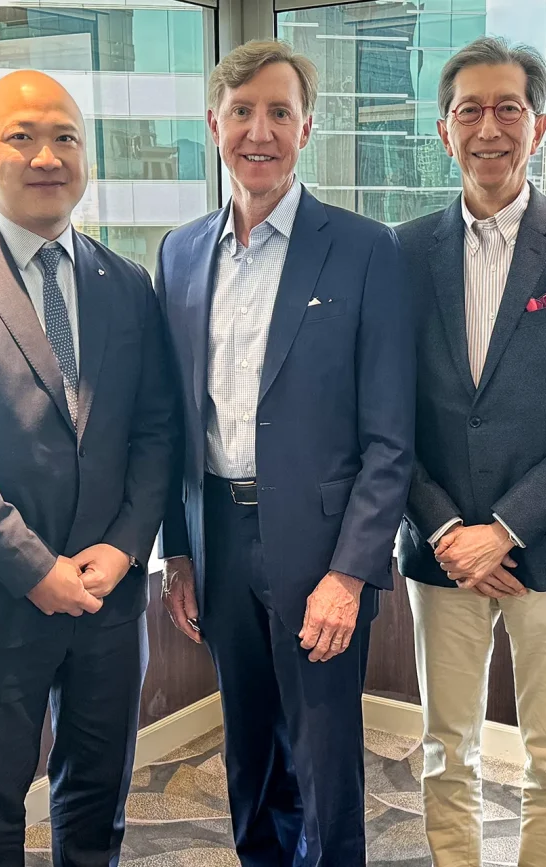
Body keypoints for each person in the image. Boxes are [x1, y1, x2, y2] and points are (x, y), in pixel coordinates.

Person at [0, 71, 178, 866]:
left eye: (65, 138)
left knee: (99, 803)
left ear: (87, 157)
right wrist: (35, 568)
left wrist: (125, 547)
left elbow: (155, 431)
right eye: (22, 137)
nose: (47, 156)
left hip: (108, 601)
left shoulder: (127, 283)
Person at [155, 40, 415, 866]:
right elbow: (173, 419)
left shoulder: (365, 248)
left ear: (308, 127)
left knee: (325, 756)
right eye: (241, 112)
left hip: (320, 547)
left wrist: (351, 573)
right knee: (247, 746)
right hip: (218, 538)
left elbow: (390, 437)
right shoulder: (179, 252)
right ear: (214, 124)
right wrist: (179, 552)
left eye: (278, 112)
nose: (258, 131)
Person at [394, 36, 546, 867]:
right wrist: (446, 531)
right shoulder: (402, 251)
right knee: (444, 746)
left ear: (541, 126)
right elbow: (385, 417)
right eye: (470, 110)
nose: (489, 127)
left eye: (508, 109)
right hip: (439, 550)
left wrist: (503, 529)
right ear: (444, 129)